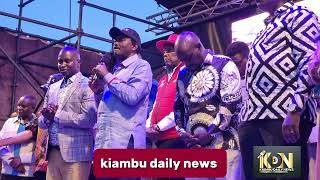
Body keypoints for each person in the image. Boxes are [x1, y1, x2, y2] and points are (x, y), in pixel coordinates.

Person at [240, 1, 320, 180]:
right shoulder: (266, 27)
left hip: (281, 117)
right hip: (254, 119)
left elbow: (310, 63)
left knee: (284, 177)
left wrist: (295, 109)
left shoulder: (299, 14)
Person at [174, 31, 243, 180]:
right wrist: (182, 133)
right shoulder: (183, 73)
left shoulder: (224, 64)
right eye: (182, 60)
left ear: (198, 47)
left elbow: (230, 103)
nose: (186, 63)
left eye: (188, 57)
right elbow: (178, 107)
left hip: (224, 145)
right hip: (195, 150)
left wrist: (210, 132)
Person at [38, 46, 97, 180]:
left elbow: (89, 119)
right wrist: (46, 117)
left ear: (78, 62)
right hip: (53, 152)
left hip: (77, 154)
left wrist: (56, 116)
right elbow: (42, 121)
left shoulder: (87, 85)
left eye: (67, 61)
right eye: (60, 61)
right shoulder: (52, 87)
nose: (62, 65)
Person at [91, 27, 152, 151]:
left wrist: (107, 76)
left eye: (121, 39)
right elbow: (108, 107)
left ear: (134, 46)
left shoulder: (142, 66)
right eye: (115, 40)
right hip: (106, 139)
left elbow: (132, 96)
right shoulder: (117, 70)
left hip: (126, 141)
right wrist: (98, 91)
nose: (116, 42)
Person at [146, 34, 186, 153]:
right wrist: (149, 127)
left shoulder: (185, 73)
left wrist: (159, 127)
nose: (165, 54)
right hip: (158, 138)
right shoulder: (163, 79)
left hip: (175, 137)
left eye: (169, 51)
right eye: (164, 52)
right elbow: (155, 106)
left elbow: (183, 107)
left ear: (180, 52)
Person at [0, 95, 38, 180]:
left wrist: (22, 159)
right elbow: (0, 143)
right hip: (7, 171)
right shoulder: (9, 122)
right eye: (18, 105)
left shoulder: (39, 125)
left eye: (23, 106)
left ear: (33, 107)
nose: (19, 108)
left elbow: (41, 152)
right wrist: (10, 159)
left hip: (27, 173)